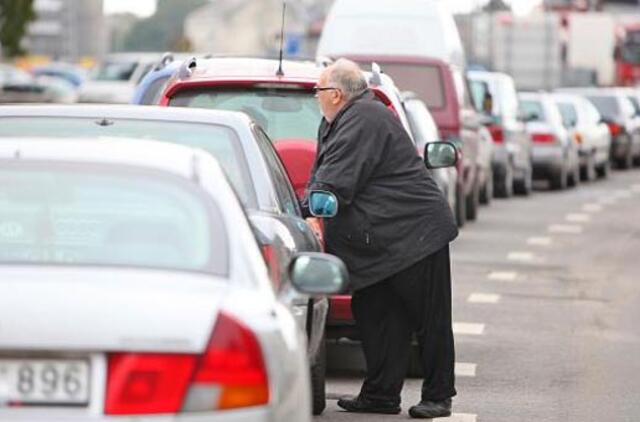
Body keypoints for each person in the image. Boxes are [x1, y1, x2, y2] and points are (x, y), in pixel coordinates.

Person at [304, 58, 459, 419]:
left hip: (415, 233)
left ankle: (439, 396)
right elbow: (320, 176)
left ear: (337, 94)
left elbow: (335, 181)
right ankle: (381, 394)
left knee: (428, 317)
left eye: (318, 91)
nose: (316, 97)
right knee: (376, 314)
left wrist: (311, 209)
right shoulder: (340, 120)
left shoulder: (363, 120)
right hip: (380, 241)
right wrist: (311, 202)